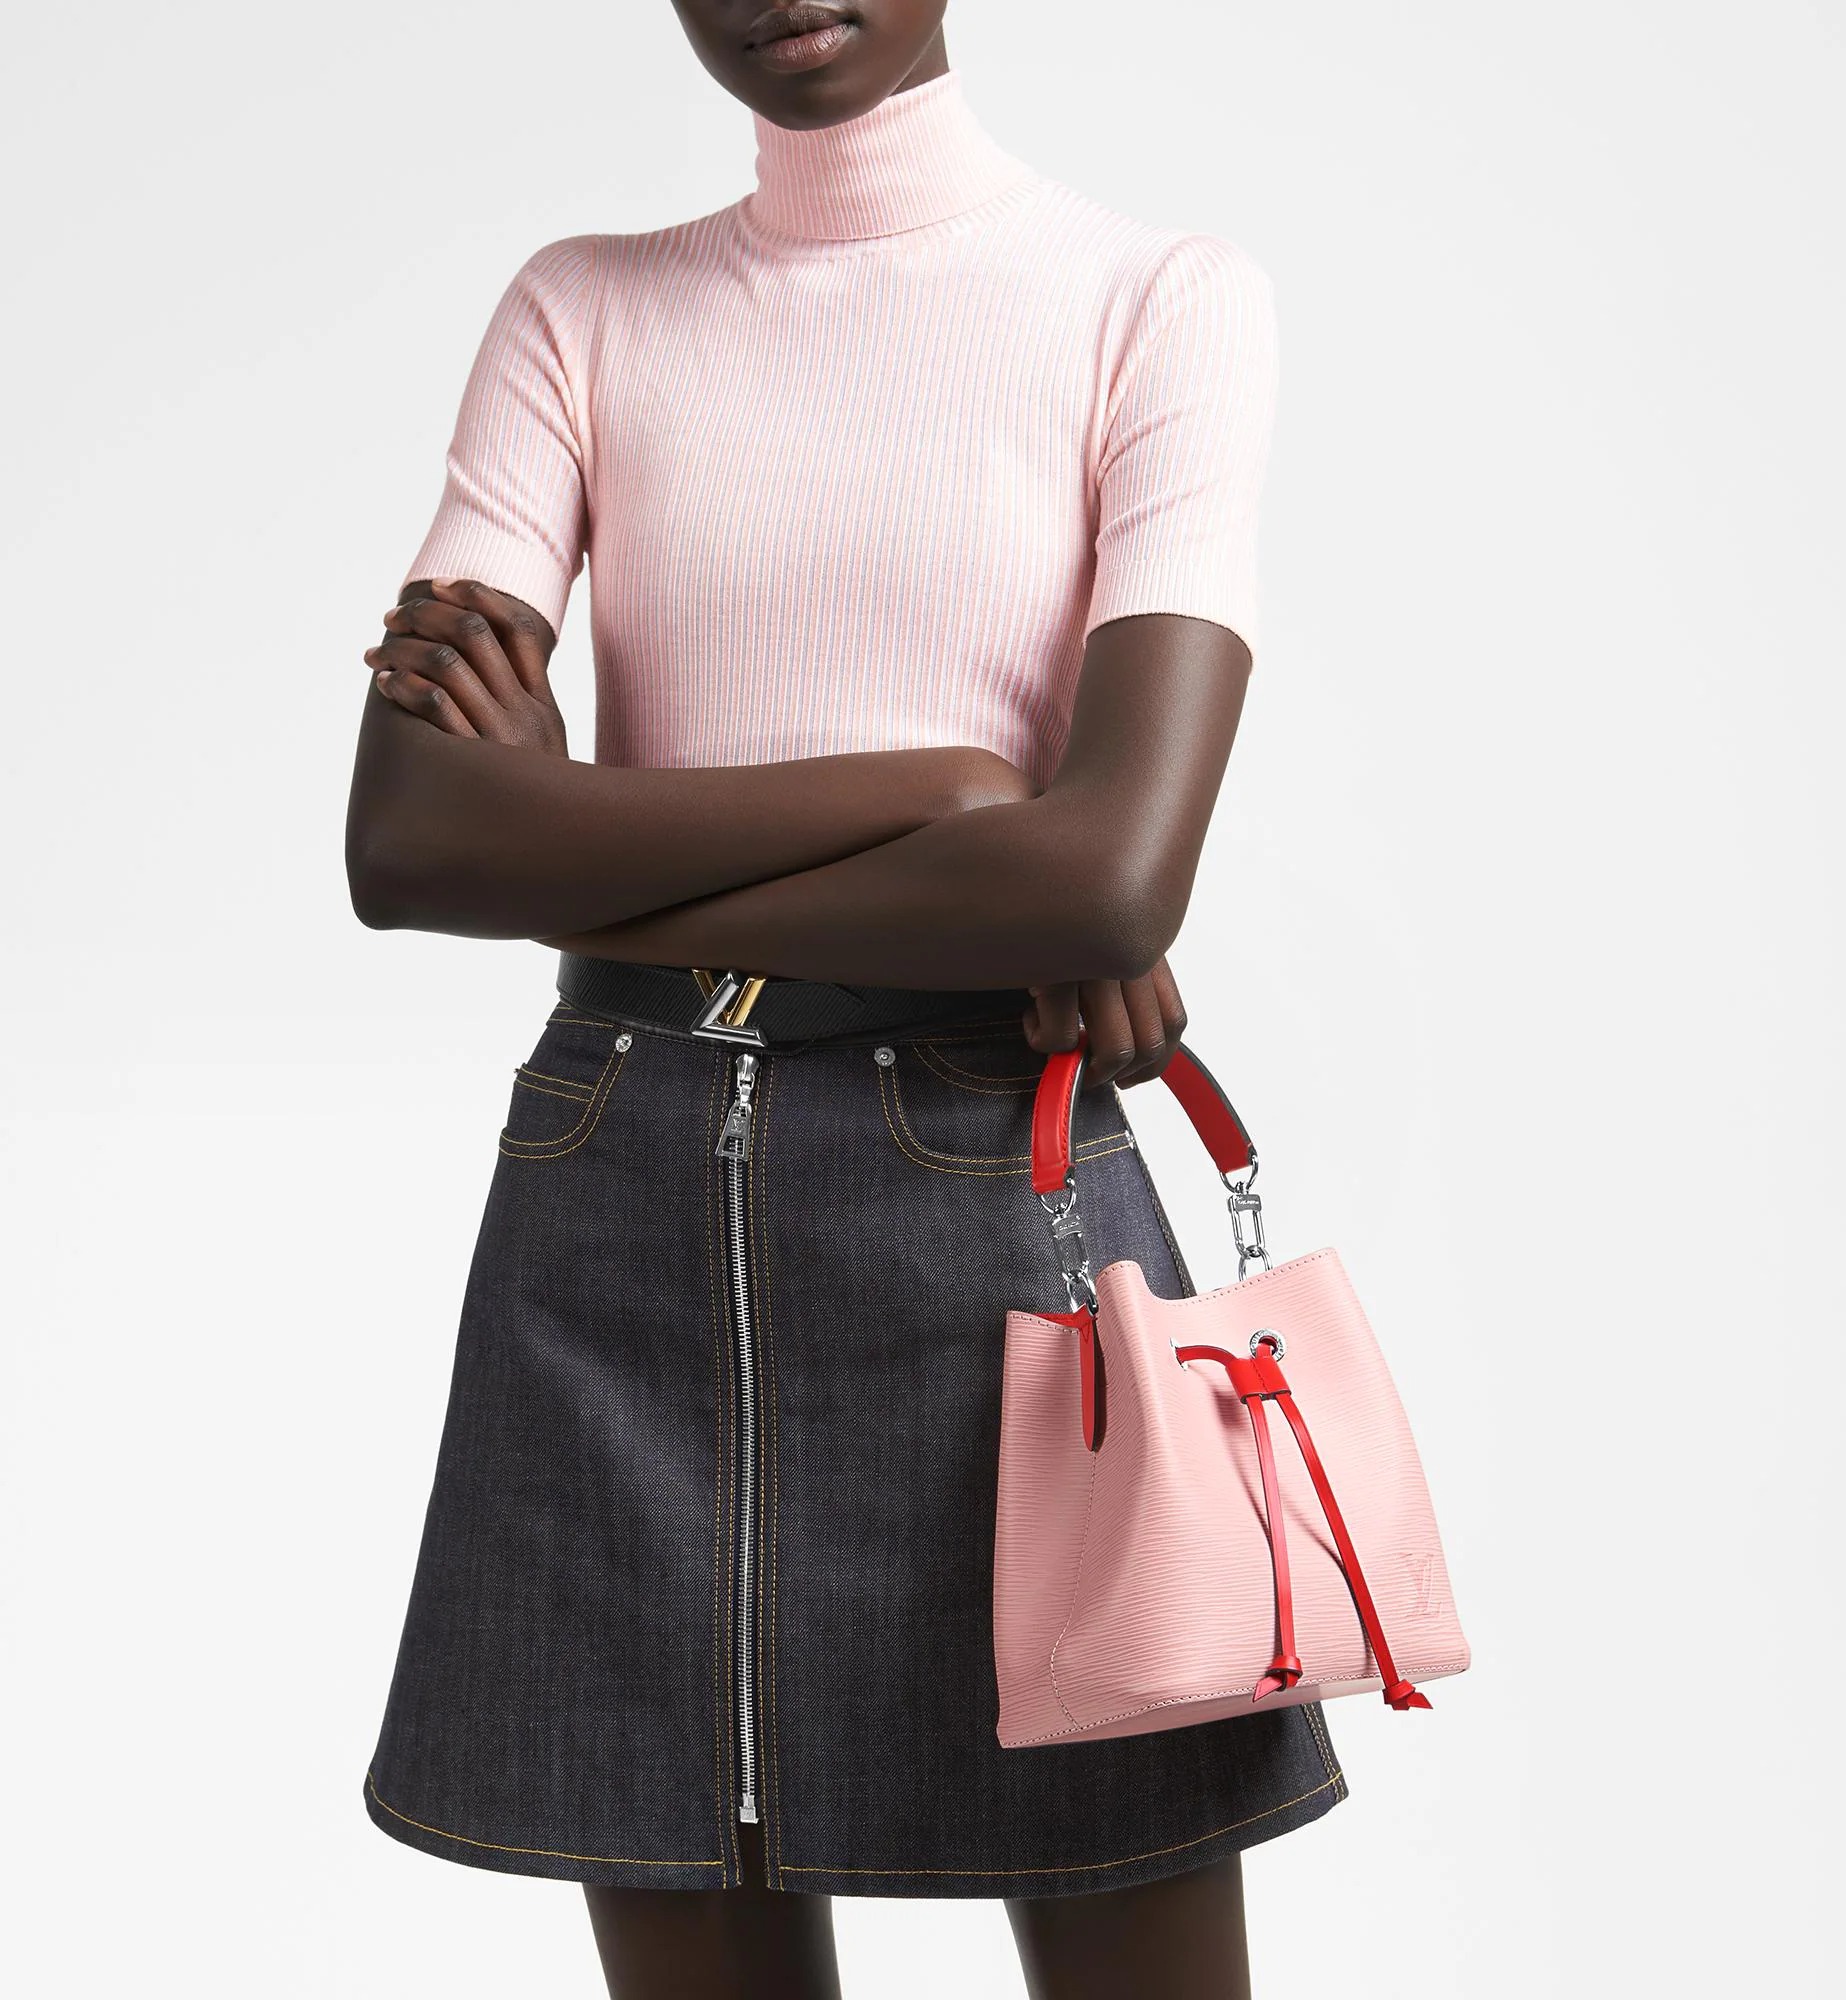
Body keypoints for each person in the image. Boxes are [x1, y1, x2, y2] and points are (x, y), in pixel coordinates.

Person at [346, 6, 1344, 1995]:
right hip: (617, 1203)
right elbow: (415, 842)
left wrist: (580, 830)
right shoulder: (578, 314)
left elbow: (1109, 877)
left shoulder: (1155, 302)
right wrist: (955, 804)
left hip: (999, 1198)